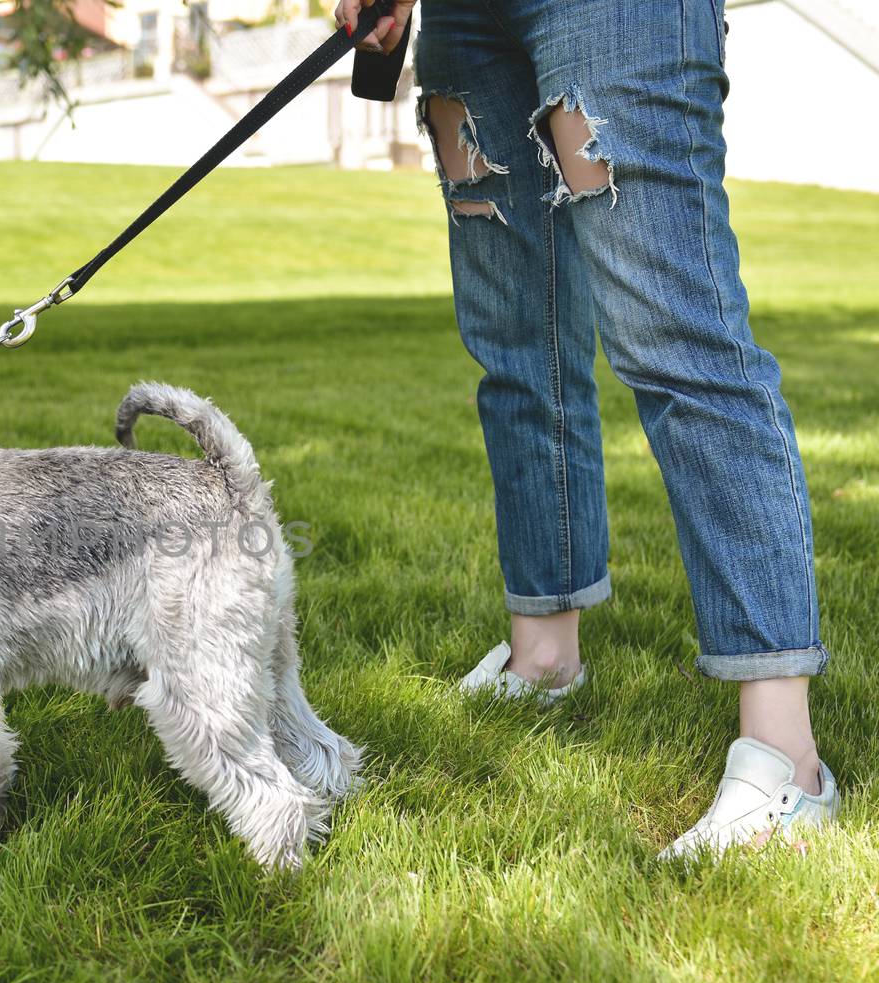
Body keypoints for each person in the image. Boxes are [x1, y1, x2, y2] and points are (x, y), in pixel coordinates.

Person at [334, 0, 838, 857]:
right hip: (465, 18)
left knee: (679, 338)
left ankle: (789, 763)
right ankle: (544, 659)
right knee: (516, 342)